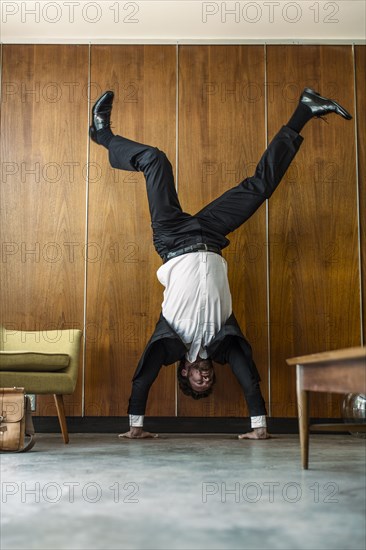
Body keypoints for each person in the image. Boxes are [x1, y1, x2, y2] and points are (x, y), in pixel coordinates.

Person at [89, 87, 352, 440]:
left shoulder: (170, 342)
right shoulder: (223, 341)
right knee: (260, 187)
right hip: (211, 235)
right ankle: (305, 110)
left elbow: (143, 377)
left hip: (173, 239)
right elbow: (247, 377)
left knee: (155, 159)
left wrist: (135, 424)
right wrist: (259, 427)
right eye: (208, 383)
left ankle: (102, 135)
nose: (206, 379)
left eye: (198, 382)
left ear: (183, 373)